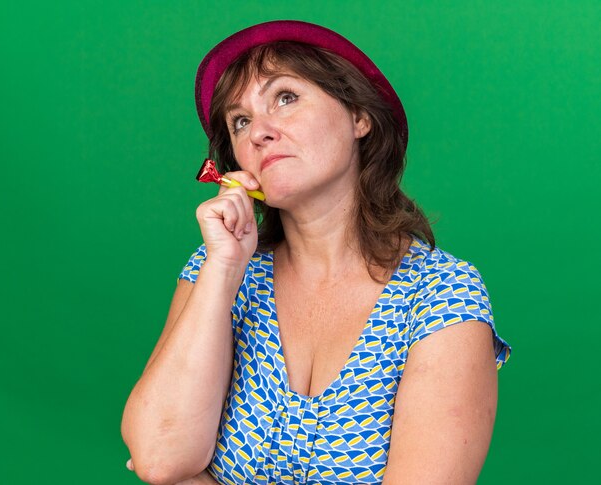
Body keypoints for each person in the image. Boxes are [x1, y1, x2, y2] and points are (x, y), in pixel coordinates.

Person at [121, 20, 511, 485]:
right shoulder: (217, 268)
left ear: (359, 117)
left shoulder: (442, 295)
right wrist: (224, 265)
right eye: (240, 121)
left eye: (285, 98)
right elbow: (161, 458)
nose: (260, 132)